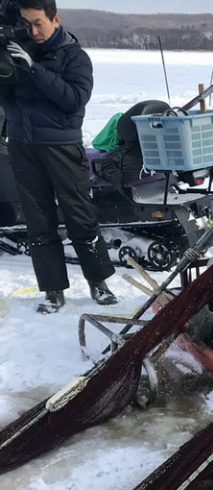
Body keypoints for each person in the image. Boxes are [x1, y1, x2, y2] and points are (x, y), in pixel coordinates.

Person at [0, 0, 116, 313]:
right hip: (23, 147)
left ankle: (99, 284)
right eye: (27, 24)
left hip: (62, 147)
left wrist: (33, 70)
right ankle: (53, 290)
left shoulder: (74, 56)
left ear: (56, 19)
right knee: (38, 221)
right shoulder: (15, 50)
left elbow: (74, 99)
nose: (33, 31)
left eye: (38, 23)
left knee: (80, 216)